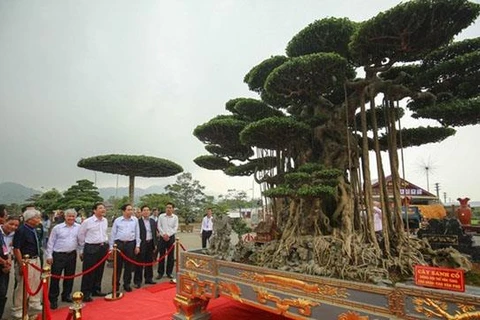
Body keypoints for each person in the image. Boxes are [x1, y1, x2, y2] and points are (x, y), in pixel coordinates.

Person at [11, 209, 43, 319]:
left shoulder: (35, 229)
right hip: (26, 260)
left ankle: (33, 305)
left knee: (35, 282)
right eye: (37, 218)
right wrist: (21, 264)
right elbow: (16, 248)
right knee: (24, 285)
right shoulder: (22, 230)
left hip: (36, 259)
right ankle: (18, 308)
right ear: (29, 219)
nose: (39, 220)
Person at [46, 209, 80, 309]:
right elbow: (51, 242)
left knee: (69, 276)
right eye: (69, 216)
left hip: (72, 254)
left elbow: (80, 240)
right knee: (55, 278)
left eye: (73, 216)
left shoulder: (78, 227)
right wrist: (49, 255)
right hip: (58, 255)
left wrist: (81, 252)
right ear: (64, 217)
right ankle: (53, 299)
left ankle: (66, 295)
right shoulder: (57, 228)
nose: (71, 218)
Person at [78, 203, 109, 302]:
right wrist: (82, 249)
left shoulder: (105, 220)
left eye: (104, 208)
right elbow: (81, 235)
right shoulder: (87, 222)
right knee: (89, 271)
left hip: (102, 247)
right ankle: (86, 292)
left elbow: (104, 233)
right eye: (100, 208)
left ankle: (96, 289)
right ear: (94, 210)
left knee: (100, 270)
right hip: (91, 247)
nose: (103, 210)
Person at [109, 203, 140, 292]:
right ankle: (115, 285)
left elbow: (137, 233)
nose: (131, 211)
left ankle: (127, 284)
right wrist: (111, 247)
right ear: (123, 211)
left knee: (129, 266)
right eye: (129, 210)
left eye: (132, 209)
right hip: (119, 244)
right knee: (117, 266)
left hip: (130, 244)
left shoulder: (135, 220)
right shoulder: (118, 220)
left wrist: (137, 245)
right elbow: (113, 234)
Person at [0, 216, 20, 319]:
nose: (13, 227)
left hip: (5, 267)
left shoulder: (14, 235)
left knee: (3, 292)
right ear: (4, 221)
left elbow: (10, 250)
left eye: (16, 225)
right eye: (11, 224)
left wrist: (8, 261)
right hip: (2, 263)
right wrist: (4, 262)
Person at [134, 205, 157, 288]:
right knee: (139, 263)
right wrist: (137, 245)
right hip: (141, 244)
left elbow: (154, 234)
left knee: (149, 262)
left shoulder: (152, 221)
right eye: (144, 210)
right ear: (141, 212)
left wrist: (155, 244)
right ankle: (138, 281)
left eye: (148, 210)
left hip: (150, 243)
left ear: (150, 212)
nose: (146, 212)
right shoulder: (137, 222)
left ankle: (149, 278)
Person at [156, 202, 178, 280]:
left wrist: (168, 234)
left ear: (173, 209)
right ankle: (160, 273)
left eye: (170, 208)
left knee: (171, 256)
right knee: (161, 255)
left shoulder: (175, 217)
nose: (168, 209)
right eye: (167, 207)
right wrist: (164, 234)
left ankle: (169, 272)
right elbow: (159, 226)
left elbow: (175, 228)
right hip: (162, 238)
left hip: (171, 238)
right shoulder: (161, 216)